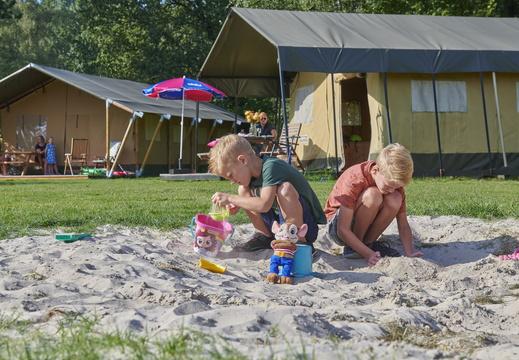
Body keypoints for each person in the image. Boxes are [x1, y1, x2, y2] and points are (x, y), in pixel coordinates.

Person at [209, 134, 326, 251]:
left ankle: (300, 243)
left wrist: (231, 198)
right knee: (242, 190)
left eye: (231, 175)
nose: (232, 182)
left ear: (243, 160)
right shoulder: (250, 178)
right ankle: (264, 236)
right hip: (279, 228)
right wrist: (239, 204)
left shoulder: (271, 167)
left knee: (285, 188)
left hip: (305, 227)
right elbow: (257, 202)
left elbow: (264, 205)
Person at [323, 143, 423, 266]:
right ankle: (355, 248)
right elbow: (342, 229)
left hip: (361, 226)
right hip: (337, 229)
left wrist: (409, 251)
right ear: (376, 170)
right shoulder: (355, 178)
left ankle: (368, 243)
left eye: (397, 186)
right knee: (373, 195)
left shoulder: (394, 186)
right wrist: (368, 254)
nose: (392, 190)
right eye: (389, 186)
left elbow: (402, 223)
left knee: (396, 198)